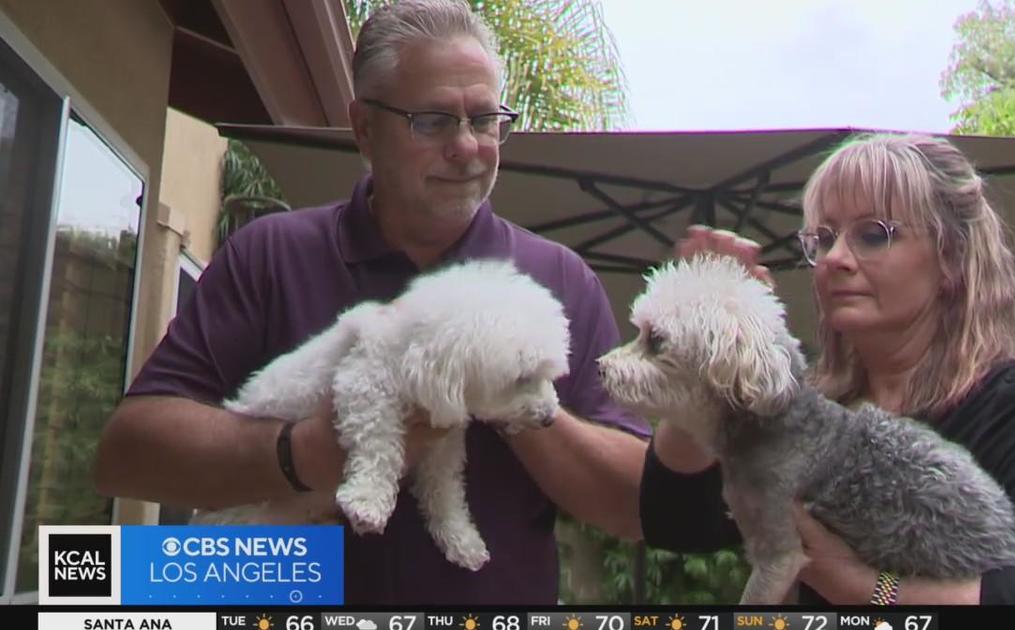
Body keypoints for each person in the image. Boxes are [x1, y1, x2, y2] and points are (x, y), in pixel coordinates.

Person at [94, 0, 650, 605]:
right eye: (432, 121)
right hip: (282, 601)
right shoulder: (273, 254)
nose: (468, 148)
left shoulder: (557, 281)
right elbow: (127, 455)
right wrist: (303, 452)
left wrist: (507, 388)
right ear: (363, 128)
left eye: (485, 119)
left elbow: (637, 506)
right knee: (90, 587)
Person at [640, 132, 1015, 605]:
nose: (834, 259)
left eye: (873, 234)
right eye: (822, 240)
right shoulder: (807, 406)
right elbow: (676, 521)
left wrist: (871, 593)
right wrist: (695, 351)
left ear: (952, 256)